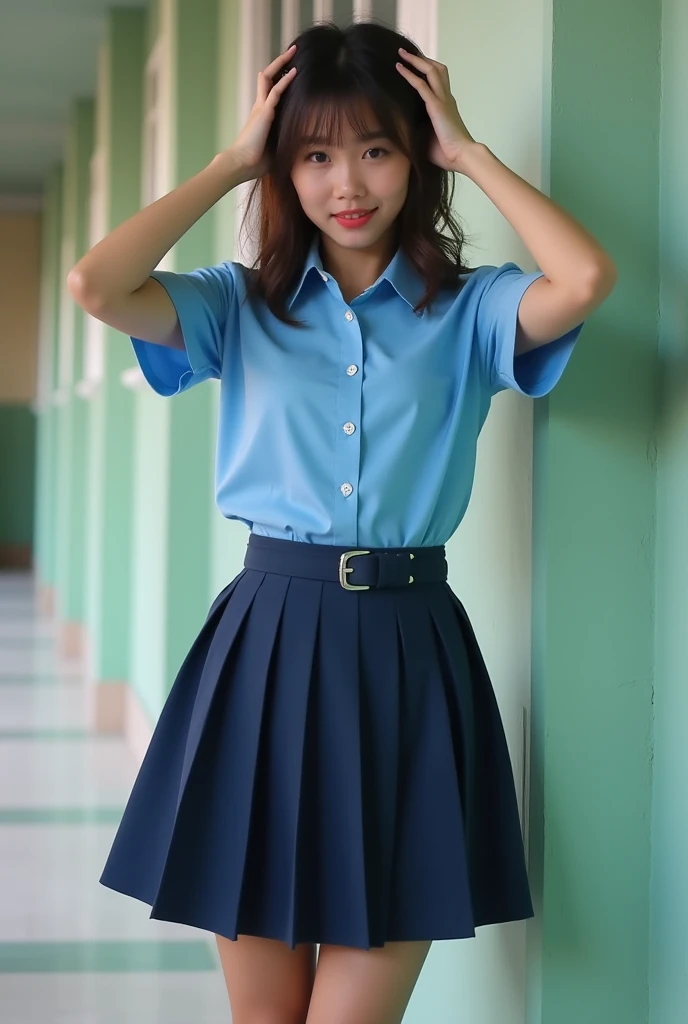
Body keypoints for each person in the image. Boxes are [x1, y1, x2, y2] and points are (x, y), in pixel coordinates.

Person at [68, 19, 616, 1024]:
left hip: (412, 654)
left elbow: (583, 281)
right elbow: (95, 284)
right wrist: (232, 162)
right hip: (267, 647)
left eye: (376, 148)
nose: (346, 181)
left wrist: (472, 151)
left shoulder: (468, 310)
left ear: (416, 159)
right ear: (285, 170)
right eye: (314, 155)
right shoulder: (238, 305)